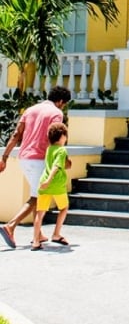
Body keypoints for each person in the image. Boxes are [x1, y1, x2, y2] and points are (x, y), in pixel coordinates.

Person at [0, 85, 71, 248]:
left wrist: (4, 156)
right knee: (37, 196)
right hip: (40, 159)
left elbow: (16, 134)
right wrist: (63, 159)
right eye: (64, 104)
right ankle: (11, 226)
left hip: (24, 158)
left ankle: (38, 234)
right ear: (60, 101)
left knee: (37, 192)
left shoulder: (30, 110)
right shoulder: (56, 113)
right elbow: (55, 137)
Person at [31, 122, 71, 251]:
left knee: (40, 213)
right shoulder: (62, 150)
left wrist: (46, 181)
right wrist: (49, 180)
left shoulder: (49, 149)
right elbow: (56, 166)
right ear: (62, 136)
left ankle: (36, 241)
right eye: (65, 135)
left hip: (43, 184)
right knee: (64, 208)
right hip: (57, 184)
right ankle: (56, 234)